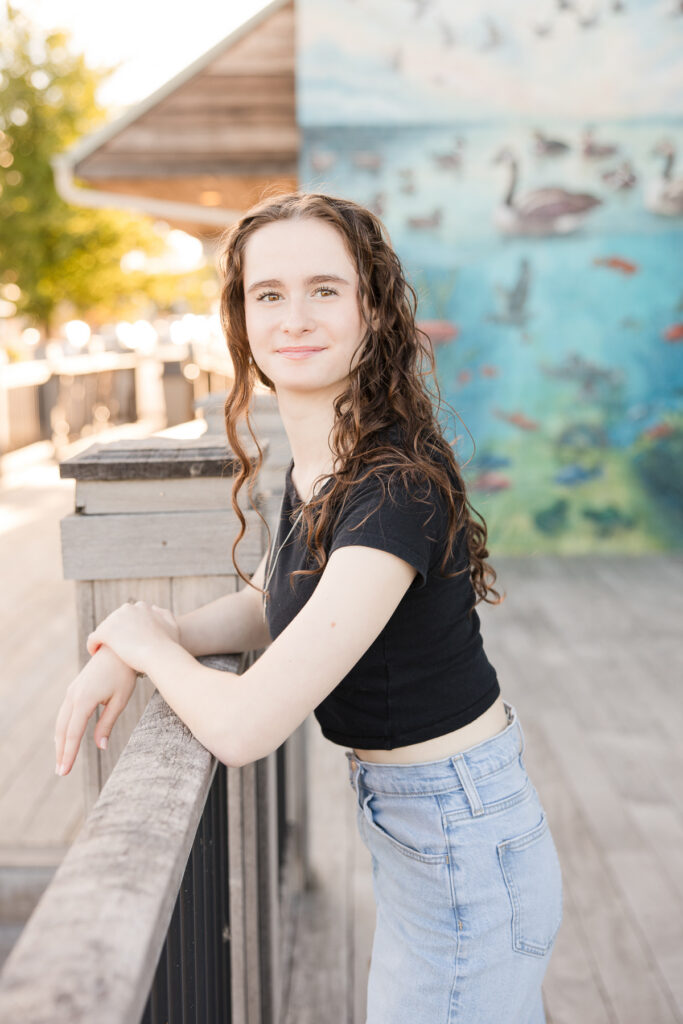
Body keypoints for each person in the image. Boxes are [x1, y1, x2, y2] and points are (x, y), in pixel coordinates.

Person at [54, 191, 563, 1023]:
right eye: (268, 294)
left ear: (373, 308)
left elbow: (244, 728)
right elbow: (273, 599)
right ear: (241, 318)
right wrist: (158, 629)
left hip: (461, 842)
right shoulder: (326, 460)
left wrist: (151, 652)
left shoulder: (391, 488)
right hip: (433, 829)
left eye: (324, 289)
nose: (294, 317)